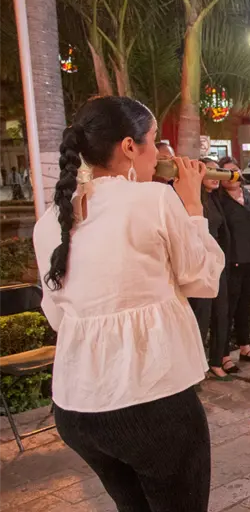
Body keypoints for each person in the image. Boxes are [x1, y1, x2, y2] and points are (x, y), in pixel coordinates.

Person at [33, 96, 221, 510]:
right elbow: (202, 279)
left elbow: (58, 314)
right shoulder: (152, 199)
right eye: (154, 142)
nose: (159, 154)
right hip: (150, 399)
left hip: (77, 406)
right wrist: (192, 204)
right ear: (129, 147)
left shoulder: (51, 221)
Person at [216, 157, 250, 365]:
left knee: (245, 305)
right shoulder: (219, 200)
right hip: (231, 261)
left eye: (234, 170)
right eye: (226, 172)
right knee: (229, 308)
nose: (231, 176)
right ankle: (224, 355)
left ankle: (245, 346)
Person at [188, 157, 232, 380]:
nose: (216, 177)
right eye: (211, 172)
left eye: (218, 172)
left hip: (217, 264)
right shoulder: (192, 198)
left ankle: (216, 360)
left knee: (221, 312)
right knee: (201, 316)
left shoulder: (215, 199)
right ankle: (197, 368)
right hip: (200, 264)